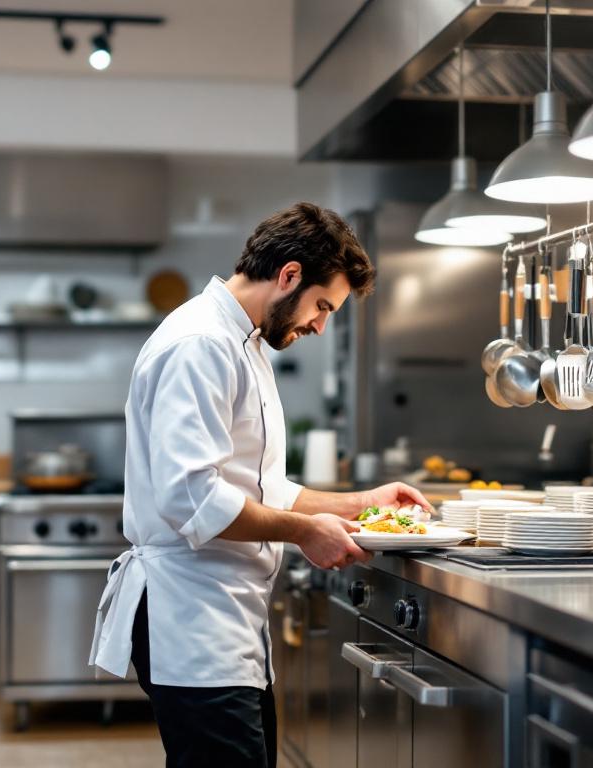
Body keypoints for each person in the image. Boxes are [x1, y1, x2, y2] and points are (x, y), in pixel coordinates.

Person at [90, 202, 431, 767]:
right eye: (323, 306)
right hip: (192, 620)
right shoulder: (200, 343)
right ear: (289, 275)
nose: (320, 325)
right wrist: (304, 532)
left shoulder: (243, 343)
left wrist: (362, 503)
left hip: (226, 622)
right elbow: (191, 497)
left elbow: (261, 487)